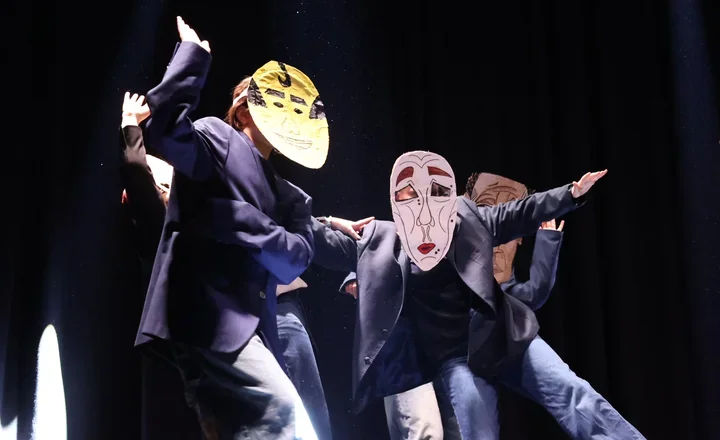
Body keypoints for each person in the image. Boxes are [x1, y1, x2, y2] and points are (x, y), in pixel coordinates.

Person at [310, 151, 643, 439]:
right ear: (396, 204)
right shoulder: (383, 241)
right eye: (409, 195)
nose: (424, 207)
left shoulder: (468, 219)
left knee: (573, 393)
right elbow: (315, 241)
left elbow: (522, 211)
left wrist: (571, 193)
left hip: (503, 337)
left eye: (436, 192)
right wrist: (328, 220)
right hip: (457, 360)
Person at [133, 16, 322, 440]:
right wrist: (191, 58)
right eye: (275, 100)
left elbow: (296, 258)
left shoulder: (292, 196)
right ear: (244, 109)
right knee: (281, 410)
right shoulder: (217, 137)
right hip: (207, 316)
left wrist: (236, 219)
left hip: (245, 328)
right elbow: (165, 130)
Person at [119, 91, 202, 440]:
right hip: (188, 329)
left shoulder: (186, 220)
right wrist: (129, 123)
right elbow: (136, 169)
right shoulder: (157, 221)